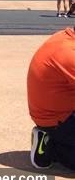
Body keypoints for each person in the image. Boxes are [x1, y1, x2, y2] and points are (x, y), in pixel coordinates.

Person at [27, 27, 75, 171]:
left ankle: (51, 141)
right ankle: (51, 148)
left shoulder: (65, 37)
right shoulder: (69, 53)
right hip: (59, 120)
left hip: (56, 112)